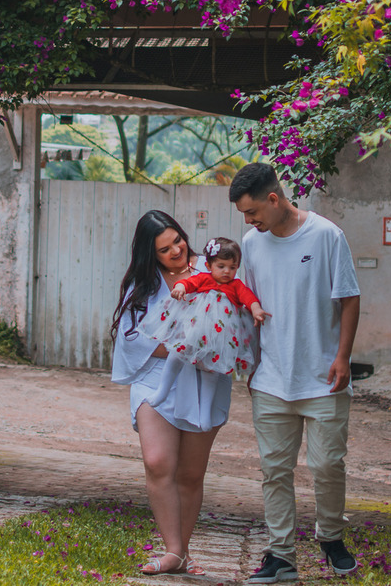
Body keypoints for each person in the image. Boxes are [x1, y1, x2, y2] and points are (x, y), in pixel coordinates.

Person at [231, 162, 362, 584]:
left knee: (327, 465)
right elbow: (246, 303)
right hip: (271, 377)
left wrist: (343, 357)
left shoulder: (326, 236)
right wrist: (248, 361)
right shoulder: (252, 243)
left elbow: (349, 298)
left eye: (252, 212)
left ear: (274, 198)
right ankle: (281, 555)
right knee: (275, 470)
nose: (248, 222)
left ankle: (331, 537)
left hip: (323, 376)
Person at [110, 210, 232, 577]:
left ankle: (185, 552)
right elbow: (133, 338)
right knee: (159, 461)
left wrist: (204, 346)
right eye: (165, 249)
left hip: (202, 379)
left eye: (177, 240)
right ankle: (173, 551)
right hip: (154, 377)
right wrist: (181, 346)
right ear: (152, 254)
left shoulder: (208, 272)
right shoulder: (143, 284)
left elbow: (229, 318)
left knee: (192, 473)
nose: (176, 251)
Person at [140, 237, 268, 375]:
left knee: (212, 368)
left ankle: (207, 397)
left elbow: (247, 297)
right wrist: (180, 288)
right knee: (177, 354)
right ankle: (162, 390)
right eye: (221, 266)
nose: (226, 271)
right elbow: (189, 283)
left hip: (220, 334)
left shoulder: (235, 285)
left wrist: (256, 309)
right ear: (209, 266)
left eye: (232, 267)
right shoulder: (204, 278)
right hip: (198, 328)